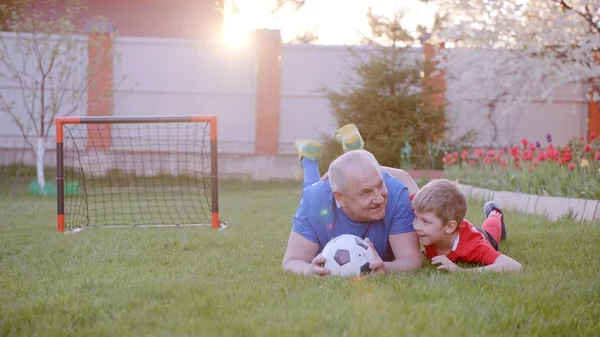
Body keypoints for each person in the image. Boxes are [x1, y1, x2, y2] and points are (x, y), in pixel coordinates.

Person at [281, 124, 422, 276]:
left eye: (380, 185)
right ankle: (308, 161)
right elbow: (292, 262)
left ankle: (349, 152)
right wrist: (309, 270)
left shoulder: (395, 193)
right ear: (340, 198)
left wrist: (385, 268)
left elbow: (411, 259)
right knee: (313, 186)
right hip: (320, 194)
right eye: (366, 192)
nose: (379, 198)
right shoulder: (314, 201)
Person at [412, 179, 523, 272]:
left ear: (449, 227)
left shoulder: (474, 246)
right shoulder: (427, 219)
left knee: (492, 231)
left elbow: (515, 266)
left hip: (482, 236)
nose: (416, 226)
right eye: (416, 217)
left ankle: (494, 212)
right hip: (458, 227)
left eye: (425, 221)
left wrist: (460, 270)